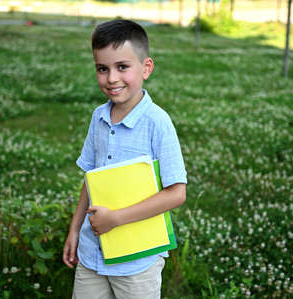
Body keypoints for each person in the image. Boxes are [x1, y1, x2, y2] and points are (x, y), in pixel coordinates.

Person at [62, 19, 187, 299]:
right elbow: (90, 179)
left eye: (122, 67)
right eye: (102, 69)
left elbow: (177, 194)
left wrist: (115, 219)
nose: (111, 78)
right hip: (91, 253)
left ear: (146, 68)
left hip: (137, 263)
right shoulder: (99, 117)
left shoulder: (158, 123)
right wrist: (73, 231)